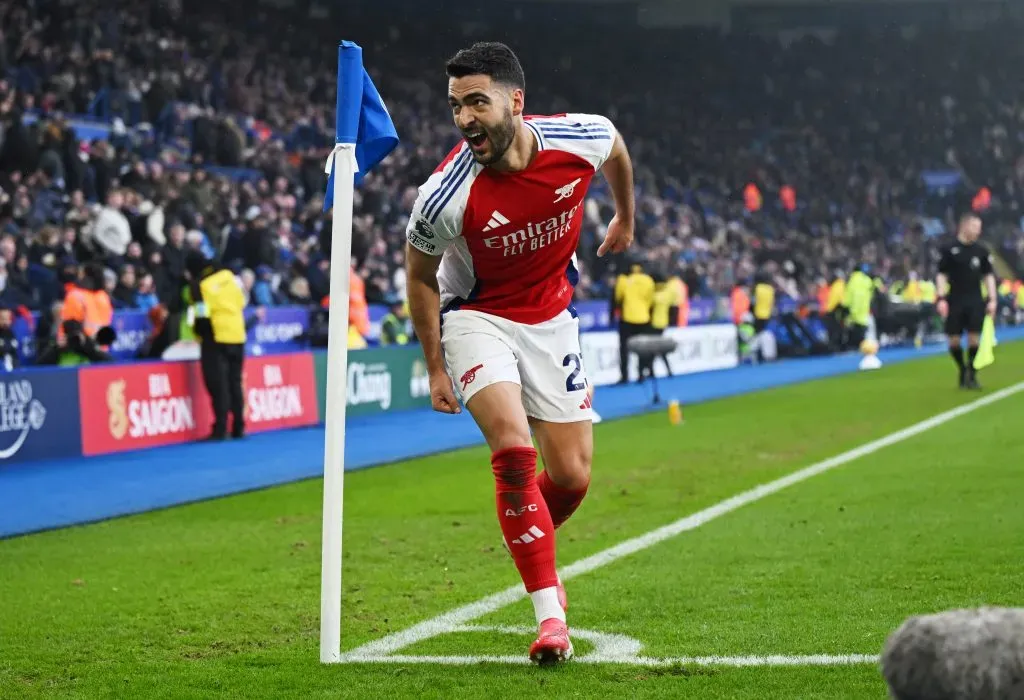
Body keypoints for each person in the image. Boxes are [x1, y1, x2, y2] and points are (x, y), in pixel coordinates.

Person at [404, 42, 634, 664]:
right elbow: (420, 277)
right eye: (455, 106)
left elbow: (614, 147)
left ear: (515, 101)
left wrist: (623, 217)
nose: (465, 118)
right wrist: (433, 366)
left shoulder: (576, 138)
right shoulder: (443, 195)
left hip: (553, 320)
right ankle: (549, 614)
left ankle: (525, 531)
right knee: (512, 450)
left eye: (477, 102)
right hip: (478, 317)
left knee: (572, 476)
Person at [187, 252, 248, 440]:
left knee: (217, 384)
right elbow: (242, 301)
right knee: (235, 382)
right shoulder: (230, 276)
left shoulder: (200, 286)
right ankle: (239, 426)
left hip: (216, 337)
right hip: (237, 334)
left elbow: (201, 314)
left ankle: (220, 428)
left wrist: (200, 334)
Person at [936, 213, 997, 390]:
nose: (978, 231)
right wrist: (940, 298)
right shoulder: (949, 249)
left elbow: (988, 276)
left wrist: (992, 299)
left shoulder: (981, 251)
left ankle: (971, 371)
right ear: (964, 226)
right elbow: (942, 274)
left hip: (975, 300)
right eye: (975, 227)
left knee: (974, 339)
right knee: (953, 340)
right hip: (954, 299)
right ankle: (962, 368)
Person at [614, 260, 655, 383]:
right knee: (642, 348)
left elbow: (618, 297)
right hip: (644, 318)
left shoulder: (623, 279)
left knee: (624, 349)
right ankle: (641, 374)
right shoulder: (648, 280)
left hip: (627, 318)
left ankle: (624, 376)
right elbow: (650, 300)